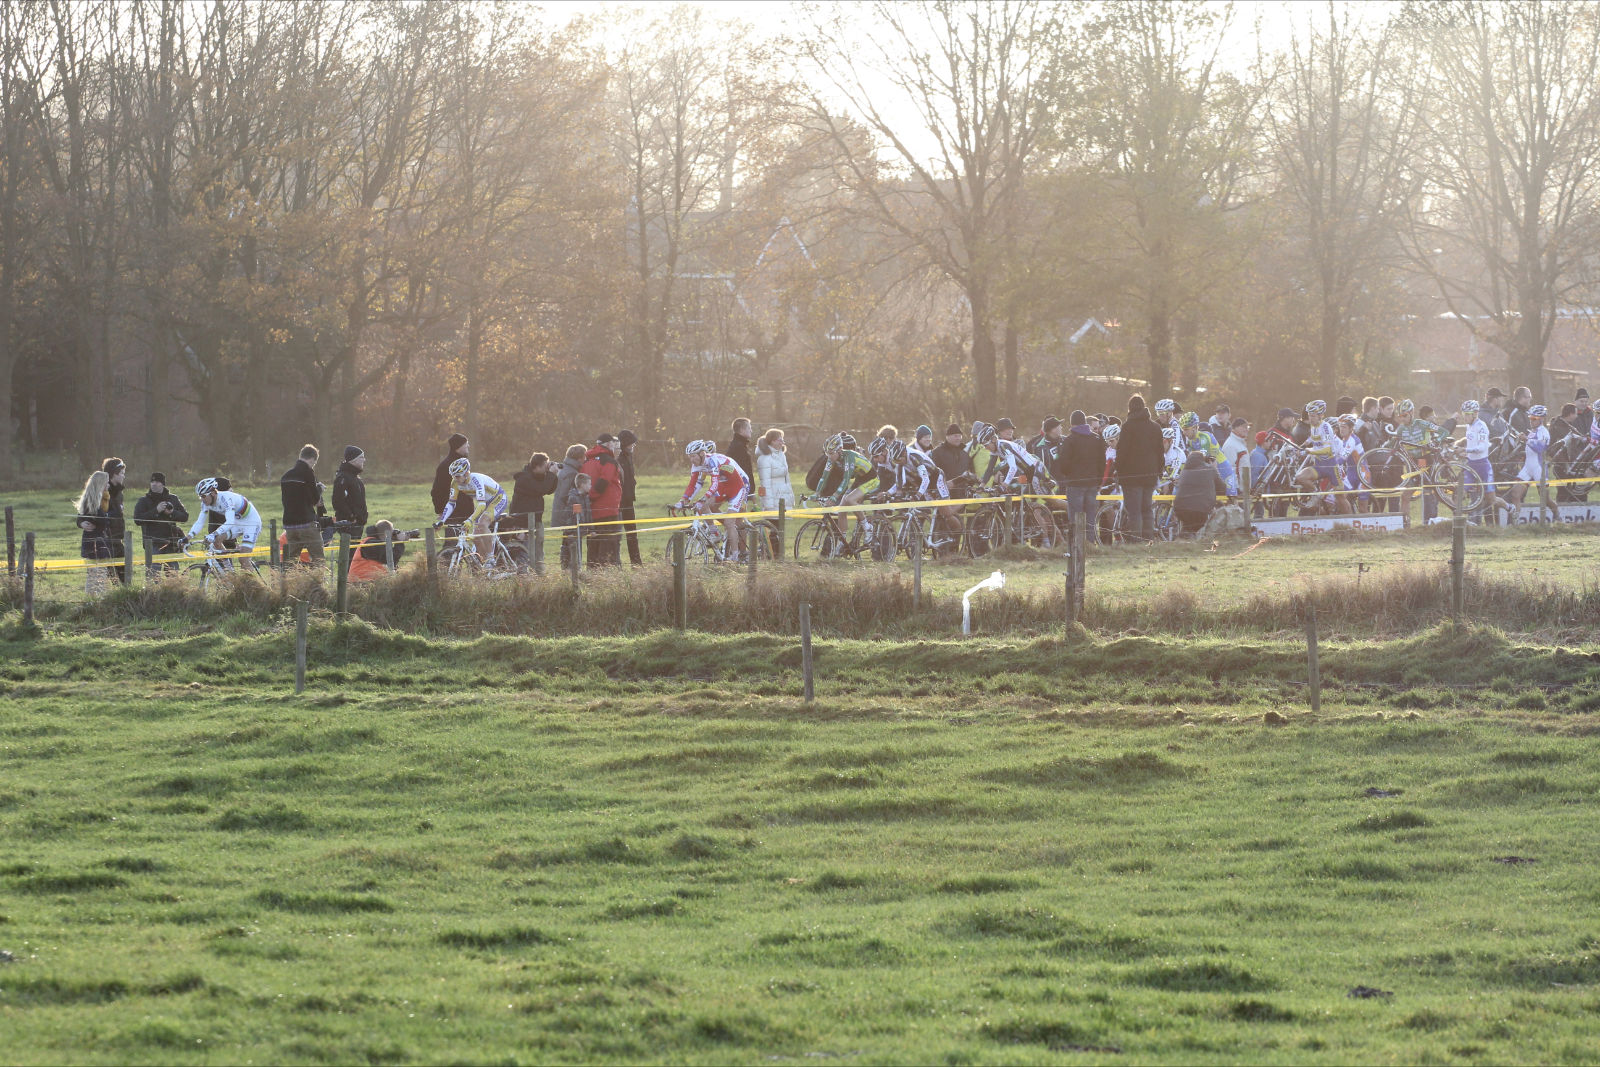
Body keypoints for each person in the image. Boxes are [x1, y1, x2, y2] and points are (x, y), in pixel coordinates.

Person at [678, 438, 752, 560]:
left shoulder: (712, 461)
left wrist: (703, 498)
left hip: (741, 483)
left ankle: (740, 554)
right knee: (706, 506)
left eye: (693, 456)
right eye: (689, 457)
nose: (691, 460)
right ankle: (716, 531)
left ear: (702, 453)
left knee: (736, 521)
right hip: (724, 484)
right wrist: (683, 500)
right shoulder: (699, 464)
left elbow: (714, 484)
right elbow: (695, 484)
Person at [435, 458, 508, 565]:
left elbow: (482, 505)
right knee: (476, 537)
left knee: (482, 524)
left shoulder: (476, 480)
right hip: (483, 503)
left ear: (466, 473)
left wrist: (470, 520)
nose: (455, 478)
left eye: (457, 476)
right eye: (453, 476)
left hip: (497, 498)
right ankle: (486, 564)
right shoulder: (455, 483)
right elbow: (451, 503)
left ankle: (491, 558)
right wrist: (442, 520)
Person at [1115, 394, 1164, 543]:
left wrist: (1118, 470)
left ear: (1130, 408)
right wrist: (1158, 471)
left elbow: (1122, 452)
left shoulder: (1128, 427)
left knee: (1134, 512)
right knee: (1147, 510)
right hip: (1150, 476)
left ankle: (1136, 542)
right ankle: (1148, 540)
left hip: (1131, 478)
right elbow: (1160, 452)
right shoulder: (1155, 427)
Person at [1054, 410, 1106, 541]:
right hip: (1092, 484)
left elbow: (1063, 464)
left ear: (1072, 424)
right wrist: (1098, 480)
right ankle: (1089, 544)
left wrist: (1069, 476)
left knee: (1076, 517)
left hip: (1075, 484)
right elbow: (1102, 462)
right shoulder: (1097, 439)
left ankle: (1077, 544)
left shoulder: (1070, 440)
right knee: (1090, 517)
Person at [188, 477, 263, 567]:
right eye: (200, 496)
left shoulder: (226, 498)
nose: (202, 499)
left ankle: (252, 580)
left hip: (251, 523)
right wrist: (187, 537)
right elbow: (199, 522)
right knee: (217, 541)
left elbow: (230, 522)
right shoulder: (206, 504)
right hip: (238, 522)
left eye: (203, 496)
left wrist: (214, 533)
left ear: (212, 493)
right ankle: (229, 571)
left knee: (243, 559)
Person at [506, 451, 558, 566]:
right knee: (524, 552)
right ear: (537, 466)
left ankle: (538, 577)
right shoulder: (524, 479)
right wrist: (551, 475)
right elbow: (541, 489)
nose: (546, 469)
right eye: (545, 466)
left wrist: (553, 475)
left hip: (535, 521)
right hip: (522, 523)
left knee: (538, 553)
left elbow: (548, 490)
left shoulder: (536, 477)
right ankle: (523, 577)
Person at [133, 472, 190, 574]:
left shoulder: (173, 498)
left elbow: (185, 517)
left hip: (171, 543)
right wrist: (156, 510)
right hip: (153, 544)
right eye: (152, 481)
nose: (154, 484)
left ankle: (173, 590)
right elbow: (137, 519)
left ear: (163, 484)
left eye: (157, 482)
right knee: (153, 575)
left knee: (173, 576)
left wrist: (172, 513)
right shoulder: (143, 501)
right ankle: (152, 590)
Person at [581, 433, 624, 567]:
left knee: (593, 543)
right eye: (613, 443)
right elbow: (604, 480)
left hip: (591, 510)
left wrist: (588, 499)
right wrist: (592, 495)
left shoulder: (587, 461)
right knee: (608, 543)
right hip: (608, 510)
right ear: (608, 444)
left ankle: (593, 572)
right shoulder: (609, 461)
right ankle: (607, 574)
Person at [280, 443, 326, 564]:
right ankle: (317, 582)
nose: (313, 466)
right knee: (318, 558)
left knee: (291, 561)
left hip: (289, 525)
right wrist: (319, 489)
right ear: (312, 459)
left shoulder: (286, 476)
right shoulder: (308, 473)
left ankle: (288, 582)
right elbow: (315, 500)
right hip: (306, 523)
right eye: (314, 463)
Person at [75, 469, 116, 595]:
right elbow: (103, 521)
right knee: (97, 575)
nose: (108, 485)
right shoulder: (93, 503)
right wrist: (81, 523)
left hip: (98, 542)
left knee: (97, 575)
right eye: (106, 483)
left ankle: (94, 600)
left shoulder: (103, 500)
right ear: (100, 484)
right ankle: (94, 601)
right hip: (95, 544)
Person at [1506, 405, 1550, 509]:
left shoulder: (1543, 432)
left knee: (1546, 499)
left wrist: (1526, 439)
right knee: (1515, 494)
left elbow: (1540, 448)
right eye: (1530, 418)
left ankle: (1556, 514)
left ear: (1542, 419)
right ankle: (1516, 520)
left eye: (1534, 419)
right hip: (1527, 468)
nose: (1531, 421)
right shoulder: (1532, 431)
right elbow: (1530, 450)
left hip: (1539, 469)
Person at [1174, 450, 1227, 536]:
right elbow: (1222, 488)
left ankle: (1183, 540)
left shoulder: (1184, 471)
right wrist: (1214, 468)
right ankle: (1191, 542)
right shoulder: (1210, 469)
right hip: (1200, 510)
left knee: (1188, 527)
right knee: (1198, 531)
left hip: (1180, 508)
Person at [552, 443, 587, 569]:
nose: (585, 459)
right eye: (584, 457)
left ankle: (567, 567)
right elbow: (564, 495)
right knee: (571, 541)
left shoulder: (566, 469)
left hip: (563, 513)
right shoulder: (572, 473)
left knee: (567, 540)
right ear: (579, 458)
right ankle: (570, 568)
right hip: (568, 515)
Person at [347, 520, 420, 581]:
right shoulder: (373, 544)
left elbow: (390, 565)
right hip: (361, 583)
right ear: (386, 533)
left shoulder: (372, 541)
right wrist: (400, 542)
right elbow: (392, 559)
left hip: (367, 581)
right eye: (391, 533)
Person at [1460, 399, 1494, 522]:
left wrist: (1467, 450)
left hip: (1483, 465)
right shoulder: (1469, 426)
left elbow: (1482, 447)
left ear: (1475, 413)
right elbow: (1470, 443)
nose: (1465, 417)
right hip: (1471, 465)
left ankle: (1508, 507)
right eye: (1463, 414)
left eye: (1467, 414)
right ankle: (1470, 522)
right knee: (1465, 493)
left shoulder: (1481, 426)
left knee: (1491, 499)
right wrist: (1464, 452)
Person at [617, 430, 643, 566]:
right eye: (631, 443)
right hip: (619, 500)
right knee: (617, 533)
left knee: (632, 532)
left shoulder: (628, 456)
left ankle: (636, 562)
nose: (633, 445)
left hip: (628, 499)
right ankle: (616, 562)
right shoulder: (619, 458)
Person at [431, 433, 469, 517]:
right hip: (452, 514)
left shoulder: (464, 463)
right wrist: (440, 511)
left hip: (467, 512)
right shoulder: (445, 466)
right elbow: (437, 491)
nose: (468, 445)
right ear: (458, 446)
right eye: (465, 444)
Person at [756, 428, 795, 510]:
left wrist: (791, 499)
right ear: (772, 441)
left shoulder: (782, 456)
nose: (782, 442)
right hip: (773, 502)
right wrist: (768, 505)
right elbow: (765, 483)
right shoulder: (765, 459)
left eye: (782, 440)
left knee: (781, 522)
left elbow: (786, 480)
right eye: (780, 440)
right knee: (774, 522)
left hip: (783, 500)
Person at [331, 446, 368, 530]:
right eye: (361, 457)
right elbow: (337, 501)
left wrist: (363, 516)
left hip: (358, 524)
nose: (364, 460)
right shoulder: (343, 478)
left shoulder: (355, 478)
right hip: (348, 525)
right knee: (347, 543)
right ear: (353, 460)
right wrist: (351, 517)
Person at [726, 418, 756, 501]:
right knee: (739, 512)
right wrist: (748, 487)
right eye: (749, 428)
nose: (751, 431)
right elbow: (742, 469)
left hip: (742, 488)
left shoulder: (741, 445)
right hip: (740, 488)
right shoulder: (738, 447)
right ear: (742, 430)